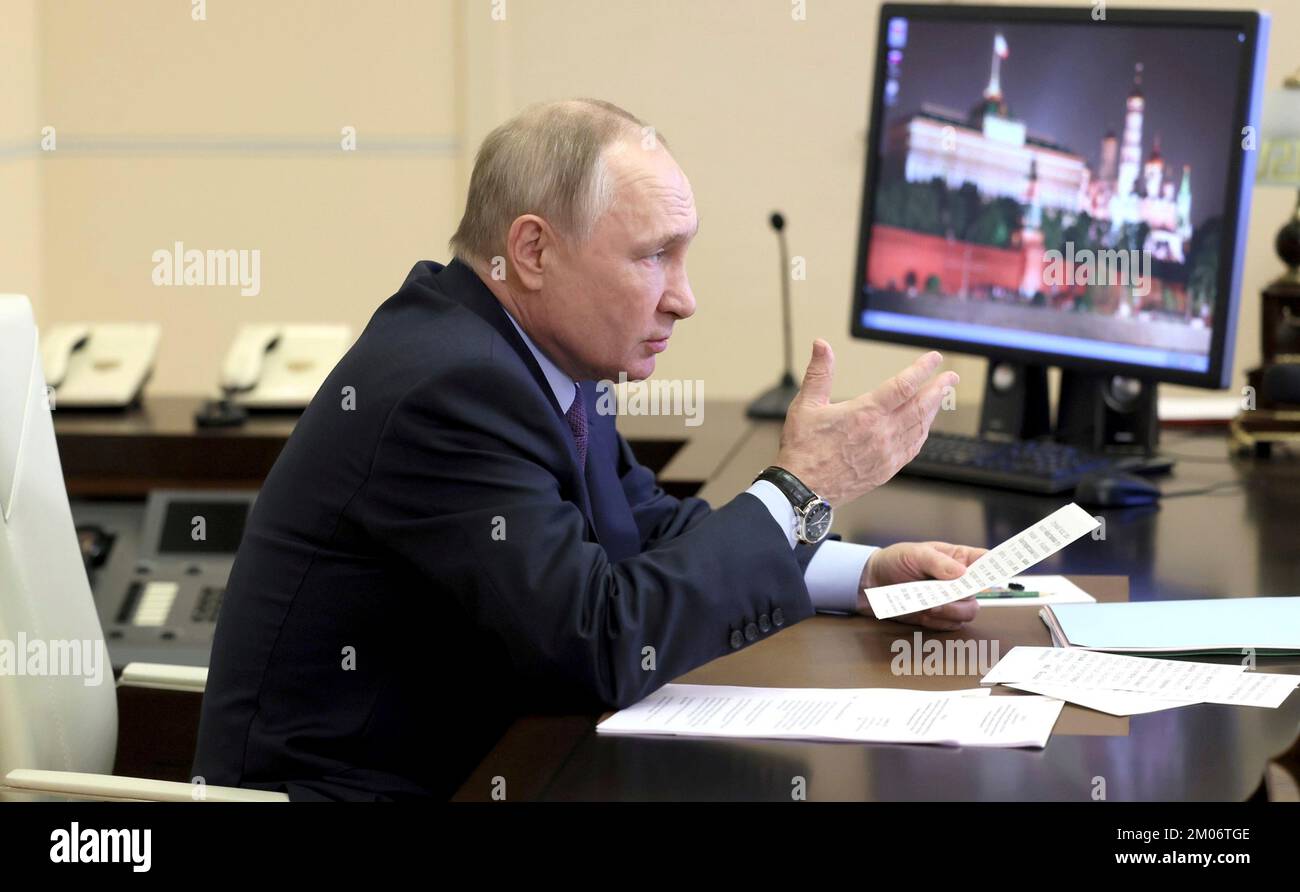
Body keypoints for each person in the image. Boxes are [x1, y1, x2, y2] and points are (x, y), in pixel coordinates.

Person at [193, 98, 984, 801]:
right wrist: (800, 486)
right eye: (653, 256)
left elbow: (645, 528)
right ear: (533, 252)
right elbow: (600, 642)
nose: (685, 297)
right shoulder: (452, 388)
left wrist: (863, 571)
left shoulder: (538, 356)